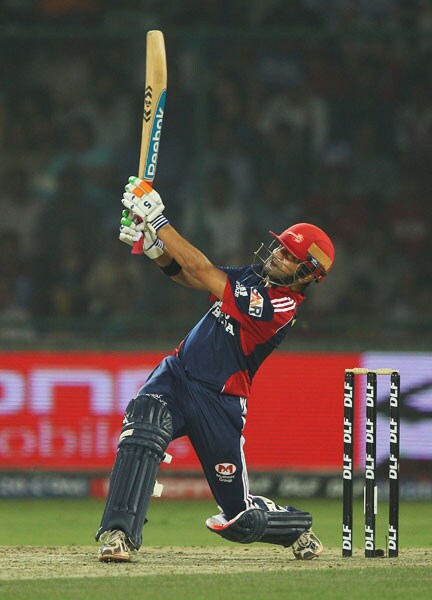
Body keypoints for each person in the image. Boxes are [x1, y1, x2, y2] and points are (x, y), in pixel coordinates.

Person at [96, 176, 335, 562]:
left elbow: (203, 268)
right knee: (143, 427)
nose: (276, 255)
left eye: (289, 256)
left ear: (307, 274)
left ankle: (294, 527)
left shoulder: (281, 308)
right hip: (178, 374)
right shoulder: (252, 275)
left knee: (240, 520)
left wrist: (158, 220)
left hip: (220, 403)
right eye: (279, 247)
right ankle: (119, 534)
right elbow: (188, 274)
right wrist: (154, 245)